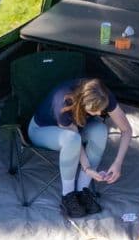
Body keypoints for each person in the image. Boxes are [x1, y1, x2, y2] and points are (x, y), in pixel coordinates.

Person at [28, 77, 132, 218]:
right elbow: (74, 136)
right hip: (41, 129)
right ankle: (68, 196)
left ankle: (83, 190)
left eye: (101, 111)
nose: (99, 114)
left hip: (76, 127)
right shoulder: (65, 103)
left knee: (100, 130)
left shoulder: (102, 95)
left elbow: (126, 130)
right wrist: (87, 167)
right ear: (82, 104)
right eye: (94, 111)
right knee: (72, 140)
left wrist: (118, 163)